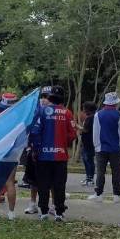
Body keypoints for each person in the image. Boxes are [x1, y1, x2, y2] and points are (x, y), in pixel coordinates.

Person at [27, 85, 75, 221]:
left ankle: (43, 213)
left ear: (50, 97)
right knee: (59, 185)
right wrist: (62, 141)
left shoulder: (42, 111)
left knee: (43, 184)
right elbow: (72, 135)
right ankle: (59, 213)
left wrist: (36, 149)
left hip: (43, 156)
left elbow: (35, 132)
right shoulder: (67, 113)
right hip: (60, 156)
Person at [89, 92, 120, 202]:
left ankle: (99, 194)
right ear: (115, 103)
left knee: (100, 171)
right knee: (116, 171)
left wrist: (96, 145)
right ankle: (116, 195)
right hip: (115, 148)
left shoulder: (98, 114)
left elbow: (96, 132)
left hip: (101, 148)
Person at [78, 101, 96, 187]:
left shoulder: (90, 118)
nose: (83, 110)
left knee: (88, 161)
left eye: (84, 108)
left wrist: (76, 126)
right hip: (88, 142)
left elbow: (85, 130)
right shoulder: (93, 117)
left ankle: (90, 179)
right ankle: (88, 177)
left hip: (89, 143)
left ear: (89, 109)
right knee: (87, 160)